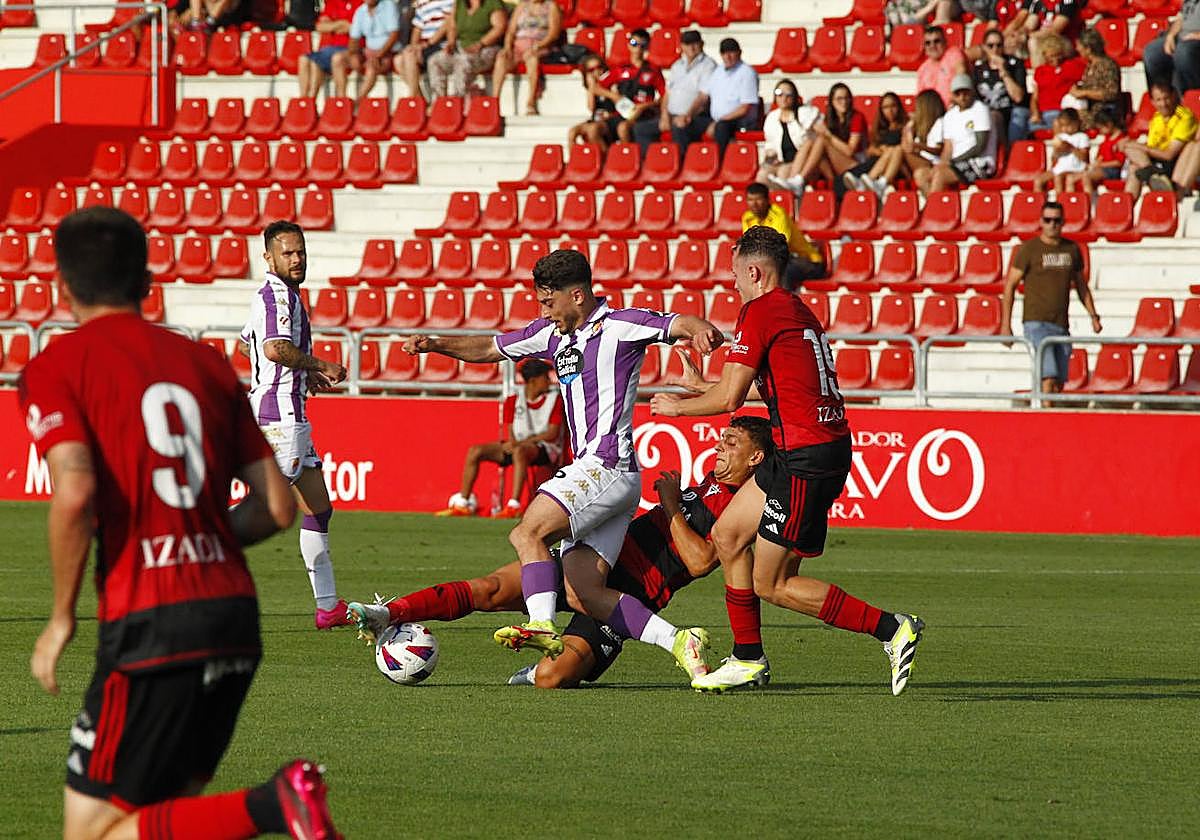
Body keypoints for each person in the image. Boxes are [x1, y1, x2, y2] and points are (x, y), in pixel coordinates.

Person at [19, 207, 339, 840]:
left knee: (91, 831)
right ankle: (276, 805)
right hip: (234, 620)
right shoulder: (205, 364)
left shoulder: (56, 366)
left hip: (151, 622)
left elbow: (75, 492)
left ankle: (274, 804)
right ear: (147, 282)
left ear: (62, 285)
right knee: (157, 819)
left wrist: (59, 618)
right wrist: (205, 540)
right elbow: (278, 508)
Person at [401, 249, 726, 684]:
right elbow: (491, 347)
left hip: (606, 464)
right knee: (583, 593)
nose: (543, 311)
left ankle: (540, 624)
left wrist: (700, 328)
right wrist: (437, 345)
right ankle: (680, 641)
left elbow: (676, 323)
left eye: (548, 302)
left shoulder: (620, 326)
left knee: (527, 533)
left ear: (577, 295)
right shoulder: (551, 336)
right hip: (610, 477)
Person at [649, 226, 923, 695]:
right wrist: (702, 388)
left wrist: (679, 408)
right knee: (727, 535)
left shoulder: (759, 311)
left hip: (805, 457)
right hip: (803, 447)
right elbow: (780, 389)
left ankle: (892, 628)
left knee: (772, 583)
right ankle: (747, 659)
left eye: (736, 274)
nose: (733, 283)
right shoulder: (796, 310)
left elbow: (731, 398)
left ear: (755, 272)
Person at [348, 416, 774, 689]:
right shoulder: (712, 482)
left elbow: (700, 561)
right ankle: (391, 612)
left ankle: (549, 656)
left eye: (730, 442)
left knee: (553, 678)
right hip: (594, 560)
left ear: (755, 457)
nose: (719, 447)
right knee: (490, 588)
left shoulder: (742, 506)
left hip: (630, 594)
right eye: (722, 439)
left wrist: (670, 504)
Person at [239, 221, 351, 629]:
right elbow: (274, 348)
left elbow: (248, 345)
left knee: (318, 507)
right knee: (264, 508)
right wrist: (321, 365)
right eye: (287, 253)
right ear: (268, 258)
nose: (297, 259)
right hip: (281, 415)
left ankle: (328, 607)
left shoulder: (274, 295)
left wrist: (305, 374)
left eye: (300, 251)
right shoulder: (279, 296)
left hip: (287, 410)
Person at [437, 358, 565, 518]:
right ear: (533, 380)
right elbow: (510, 431)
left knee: (519, 451)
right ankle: (463, 503)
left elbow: (552, 434)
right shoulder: (513, 400)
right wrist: (512, 443)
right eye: (545, 377)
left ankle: (514, 506)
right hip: (519, 445)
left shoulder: (555, 400)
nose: (549, 381)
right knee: (475, 451)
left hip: (546, 449)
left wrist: (520, 443)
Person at [1000, 200, 1100, 397]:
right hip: (1036, 322)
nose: (1052, 224)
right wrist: (1006, 324)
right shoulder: (1029, 249)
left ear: (1063, 222)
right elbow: (1010, 285)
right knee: (1048, 376)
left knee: (1059, 382)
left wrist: (1093, 315)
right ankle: (1046, 412)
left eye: (1056, 220)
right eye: (1047, 220)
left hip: (1061, 324)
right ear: (1040, 221)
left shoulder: (1071, 249)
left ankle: (1045, 410)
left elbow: (1081, 285)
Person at [674, 37, 760, 157]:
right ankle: (687, 160)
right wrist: (687, 115)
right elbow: (703, 96)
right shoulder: (718, 71)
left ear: (739, 53)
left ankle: (719, 162)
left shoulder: (747, 73)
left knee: (721, 128)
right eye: (724, 53)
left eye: (731, 52)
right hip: (717, 119)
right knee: (682, 125)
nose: (727, 56)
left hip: (738, 120)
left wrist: (719, 121)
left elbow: (744, 108)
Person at [916, 73, 997, 194]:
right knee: (921, 174)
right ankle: (934, 204)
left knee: (940, 175)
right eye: (957, 94)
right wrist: (943, 163)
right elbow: (948, 148)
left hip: (980, 163)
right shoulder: (950, 115)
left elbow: (980, 145)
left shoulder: (980, 109)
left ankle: (932, 205)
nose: (962, 97)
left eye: (965, 93)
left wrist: (955, 161)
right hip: (956, 163)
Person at [590, 29, 666, 155]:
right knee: (593, 130)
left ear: (647, 47)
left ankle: (629, 160)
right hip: (620, 112)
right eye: (634, 43)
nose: (637, 48)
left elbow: (665, 96)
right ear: (629, 44)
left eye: (642, 45)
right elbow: (596, 88)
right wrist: (613, 96)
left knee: (623, 128)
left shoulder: (653, 70)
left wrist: (645, 106)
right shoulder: (620, 68)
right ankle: (609, 159)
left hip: (641, 115)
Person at [1120, 81, 1200, 197]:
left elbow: (1168, 154)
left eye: (1166, 98)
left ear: (1173, 96)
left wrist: (1137, 146)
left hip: (1175, 164)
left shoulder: (1184, 116)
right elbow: (1152, 147)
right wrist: (1131, 145)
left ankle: (1157, 178)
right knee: (1132, 157)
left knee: (1133, 152)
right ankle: (1127, 204)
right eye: (1159, 100)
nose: (1163, 104)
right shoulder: (1157, 118)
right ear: (1152, 102)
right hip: (1157, 163)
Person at [791, 82, 867, 197]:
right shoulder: (830, 119)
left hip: (856, 165)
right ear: (832, 101)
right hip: (834, 166)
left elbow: (850, 151)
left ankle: (800, 180)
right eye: (839, 99)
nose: (844, 102)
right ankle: (797, 180)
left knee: (822, 140)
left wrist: (828, 135)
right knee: (811, 143)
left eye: (846, 98)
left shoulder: (857, 117)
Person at [742, 182, 825, 286]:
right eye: (750, 200)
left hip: (807, 261)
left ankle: (782, 297)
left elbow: (780, 246)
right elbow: (749, 246)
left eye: (758, 199)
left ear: (767, 200)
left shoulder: (779, 214)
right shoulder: (747, 217)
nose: (754, 204)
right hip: (775, 261)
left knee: (782, 270)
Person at [492, 0, 563, 115]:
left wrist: (537, 46)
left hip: (540, 45)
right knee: (501, 59)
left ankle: (531, 101)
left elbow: (553, 34)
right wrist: (507, 47)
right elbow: (511, 31)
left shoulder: (551, 6)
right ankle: (494, 101)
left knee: (532, 58)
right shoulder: (522, 5)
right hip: (518, 45)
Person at [427, 0, 508, 98]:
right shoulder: (459, 3)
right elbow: (452, 26)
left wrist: (480, 44)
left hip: (486, 48)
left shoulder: (493, 3)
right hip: (461, 47)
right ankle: (439, 99)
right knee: (435, 61)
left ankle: (459, 99)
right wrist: (451, 42)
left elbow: (499, 27)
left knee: (464, 61)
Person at [333, 0, 406, 100]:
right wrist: (353, 54)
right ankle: (341, 101)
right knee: (337, 58)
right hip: (368, 52)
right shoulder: (360, 11)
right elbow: (354, 39)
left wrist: (379, 55)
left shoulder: (388, 6)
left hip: (388, 53)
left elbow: (394, 35)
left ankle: (358, 102)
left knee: (372, 66)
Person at [970, 27, 1030, 145]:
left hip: (1011, 111)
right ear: (985, 47)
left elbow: (1018, 97)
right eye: (991, 46)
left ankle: (1009, 151)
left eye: (999, 45)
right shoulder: (978, 69)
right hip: (989, 113)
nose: (995, 49)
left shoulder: (1015, 65)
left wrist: (1003, 71)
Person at [757, 79, 820, 189]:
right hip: (780, 160)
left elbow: (816, 135)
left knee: (783, 173)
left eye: (788, 94)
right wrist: (770, 155)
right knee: (762, 176)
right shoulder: (771, 117)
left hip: (799, 161)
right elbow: (769, 143)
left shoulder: (805, 113)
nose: (783, 98)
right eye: (779, 93)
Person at [660, 30, 717, 148]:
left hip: (696, 116)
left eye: (694, 43)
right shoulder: (677, 65)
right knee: (641, 129)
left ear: (701, 44)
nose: (691, 47)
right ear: (682, 46)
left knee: (679, 128)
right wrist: (664, 115)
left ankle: (681, 159)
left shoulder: (708, 65)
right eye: (687, 44)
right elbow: (668, 94)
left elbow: (703, 97)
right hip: (672, 115)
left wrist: (687, 115)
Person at [845, 91, 907, 199]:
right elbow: (869, 150)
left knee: (896, 149)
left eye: (893, 106)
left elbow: (906, 147)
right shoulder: (879, 128)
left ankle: (873, 182)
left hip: (900, 166)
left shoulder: (906, 125)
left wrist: (888, 150)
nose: (890, 110)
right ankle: (873, 183)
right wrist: (879, 150)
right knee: (889, 151)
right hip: (881, 164)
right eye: (885, 107)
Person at [297, 0, 361, 98]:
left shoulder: (360, 3)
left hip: (352, 48)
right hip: (330, 49)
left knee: (328, 59)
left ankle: (339, 99)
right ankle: (305, 100)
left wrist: (332, 25)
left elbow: (357, 28)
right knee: (303, 59)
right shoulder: (332, 3)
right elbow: (320, 27)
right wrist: (340, 24)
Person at [1028, 33, 1085, 131]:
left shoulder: (1072, 66)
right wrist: (1035, 113)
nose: (1055, 59)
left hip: (1064, 112)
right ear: (1045, 55)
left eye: (1058, 55)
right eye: (1051, 56)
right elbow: (1035, 98)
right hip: (1044, 112)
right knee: (1033, 128)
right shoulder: (1040, 71)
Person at [1143, 0, 1200, 98]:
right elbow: (1181, 19)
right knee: (1151, 51)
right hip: (1182, 37)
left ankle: (1190, 97)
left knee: (1183, 52)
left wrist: (1197, 35)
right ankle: (1163, 97)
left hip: (1194, 41)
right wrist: (1171, 35)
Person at [398, 0, 454, 98]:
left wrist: (428, 43)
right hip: (425, 46)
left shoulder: (450, 2)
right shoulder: (423, 5)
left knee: (409, 55)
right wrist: (414, 46)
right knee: (398, 60)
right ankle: (418, 99)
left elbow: (448, 24)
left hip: (439, 45)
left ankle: (412, 97)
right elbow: (417, 29)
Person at [1069, 27, 1122, 130]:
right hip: (1088, 110)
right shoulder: (1090, 66)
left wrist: (1084, 93)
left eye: (1079, 46)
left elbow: (1111, 93)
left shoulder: (1107, 65)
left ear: (1088, 49)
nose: (1077, 49)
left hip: (1103, 113)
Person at [567, 54, 618, 148]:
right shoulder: (592, 87)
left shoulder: (612, 83)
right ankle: (575, 157)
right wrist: (591, 87)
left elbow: (618, 103)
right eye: (591, 70)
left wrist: (602, 90)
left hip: (610, 120)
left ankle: (606, 156)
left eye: (599, 67)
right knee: (572, 132)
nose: (597, 71)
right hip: (596, 119)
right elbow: (591, 107)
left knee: (592, 131)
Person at [1033, 108, 1088, 194]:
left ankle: (1060, 200)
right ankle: (1039, 201)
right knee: (1038, 180)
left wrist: (1070, 147)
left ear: (1076, 123)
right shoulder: (1061, 136)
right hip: (1059, 168)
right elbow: (1054, 158)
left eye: (1067, 125)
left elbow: (1084, 157)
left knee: (1058, 178)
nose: (1065, 128)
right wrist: (1058, 150)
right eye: (1062, 126)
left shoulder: (1082, 137)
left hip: (1075, 167)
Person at [917, 24, 967, 107]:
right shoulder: (923, 69)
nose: (932, 46)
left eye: (937, 41)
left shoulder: (954, 54)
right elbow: (920, 99)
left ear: (945, 42)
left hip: (954, 108)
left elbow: (961, 81)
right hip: (932, 112)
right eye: (928, 43)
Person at [1079, 109, 1127, 197]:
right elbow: (1100, 156)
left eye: (1101, 128)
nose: (1100, 131)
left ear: (1109, 124)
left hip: (1113, 171)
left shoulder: (1121, 140)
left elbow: (1119, 162)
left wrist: (1100, 165)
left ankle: (1088, 201)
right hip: (1102, 168)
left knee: (1086, 176)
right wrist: (1094, 165)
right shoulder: (1106, 140)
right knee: (1072, 177)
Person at [885, 0, 960, 26]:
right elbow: (902, 28)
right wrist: (928, 8)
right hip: (908, 36)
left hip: (933, 26)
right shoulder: (893, 5)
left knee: (945, 2)